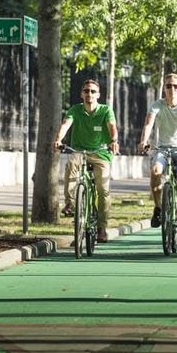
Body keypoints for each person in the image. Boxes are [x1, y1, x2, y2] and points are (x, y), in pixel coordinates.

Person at [54, 79, 120, 244]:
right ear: (81, 94)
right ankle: (70, 204)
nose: (89, 94)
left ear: (98, 95)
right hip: (79, 151)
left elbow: (112, 127)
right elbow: (65, 124)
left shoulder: (105, 110)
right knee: (70, 166)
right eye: (86, 91)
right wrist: (58, 140)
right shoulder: (75, 110)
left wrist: (113, 141)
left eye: (92, 91)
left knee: (102, 189)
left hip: (101, 153)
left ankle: (102, 227)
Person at [138, 73, 177, 232]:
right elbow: (148, 124)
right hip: (162, 149)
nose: (172, 89)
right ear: (164, 88)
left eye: (175, 86)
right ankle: (158, 208)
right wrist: (144, 141)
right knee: (155, 170)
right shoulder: (157, 105)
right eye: (168, 86)